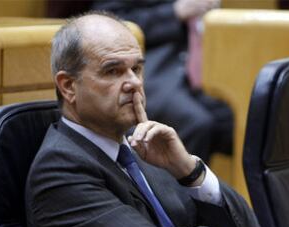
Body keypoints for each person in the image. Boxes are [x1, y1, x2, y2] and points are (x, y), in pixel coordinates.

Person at [26, 11, 261, 227]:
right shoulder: (60, 171)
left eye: (136, 69)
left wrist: (189, 170)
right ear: (68, 86)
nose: (133, 83)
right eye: (113, 71)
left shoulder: (144, 146)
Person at [89, 0, 234, 164]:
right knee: (196, 123)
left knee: (238, 122)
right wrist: (174, 12)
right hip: (150, 70)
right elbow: (106, 25)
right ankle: (181, 185)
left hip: (197, 73)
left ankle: (219, 188)